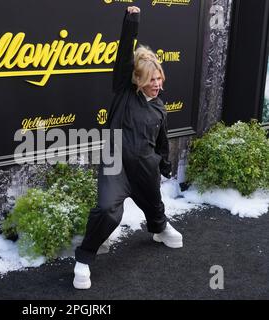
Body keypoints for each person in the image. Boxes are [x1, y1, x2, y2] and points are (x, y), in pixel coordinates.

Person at [73, 6, 183, 290]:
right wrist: (131, 22)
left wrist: (166, 164)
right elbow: (124, 53)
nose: (157, 84)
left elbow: (162, 139)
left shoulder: (159, 108)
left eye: (159, 79)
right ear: (138, 80)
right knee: (109, 210)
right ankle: (83, 260)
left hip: (145, 166)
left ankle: (159, 229)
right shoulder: (124, 91)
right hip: (115, 163)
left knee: (154, 205)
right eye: (151, 80)